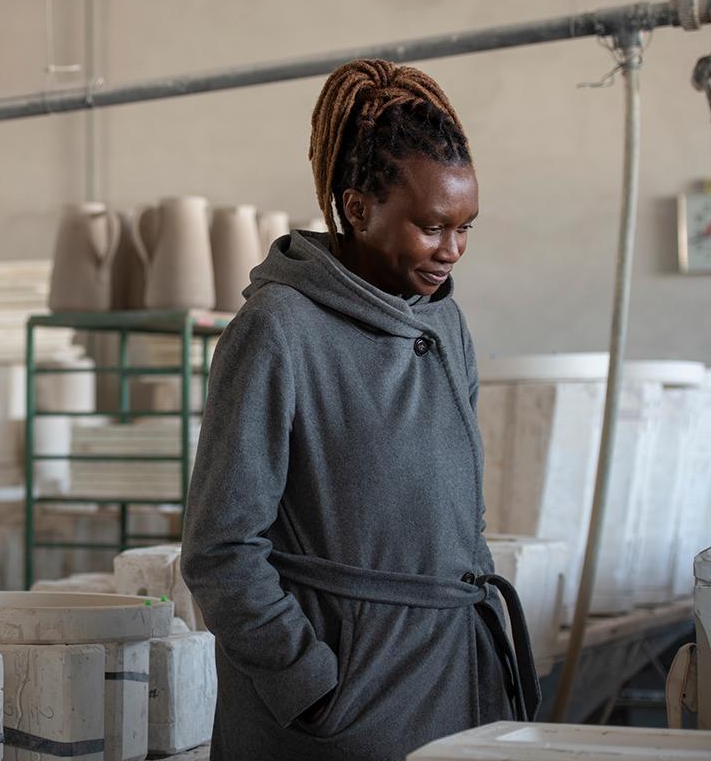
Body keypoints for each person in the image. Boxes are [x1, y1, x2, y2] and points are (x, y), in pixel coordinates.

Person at [180, 59, 540, 761]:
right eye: (432, 227)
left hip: (456, 680)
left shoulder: (446, 325)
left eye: (466, 228)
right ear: (356, 206)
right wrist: (312, 684)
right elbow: (221, 550)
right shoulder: (278, 329)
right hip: (343, 707)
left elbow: (464, 521)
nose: (451, 252)